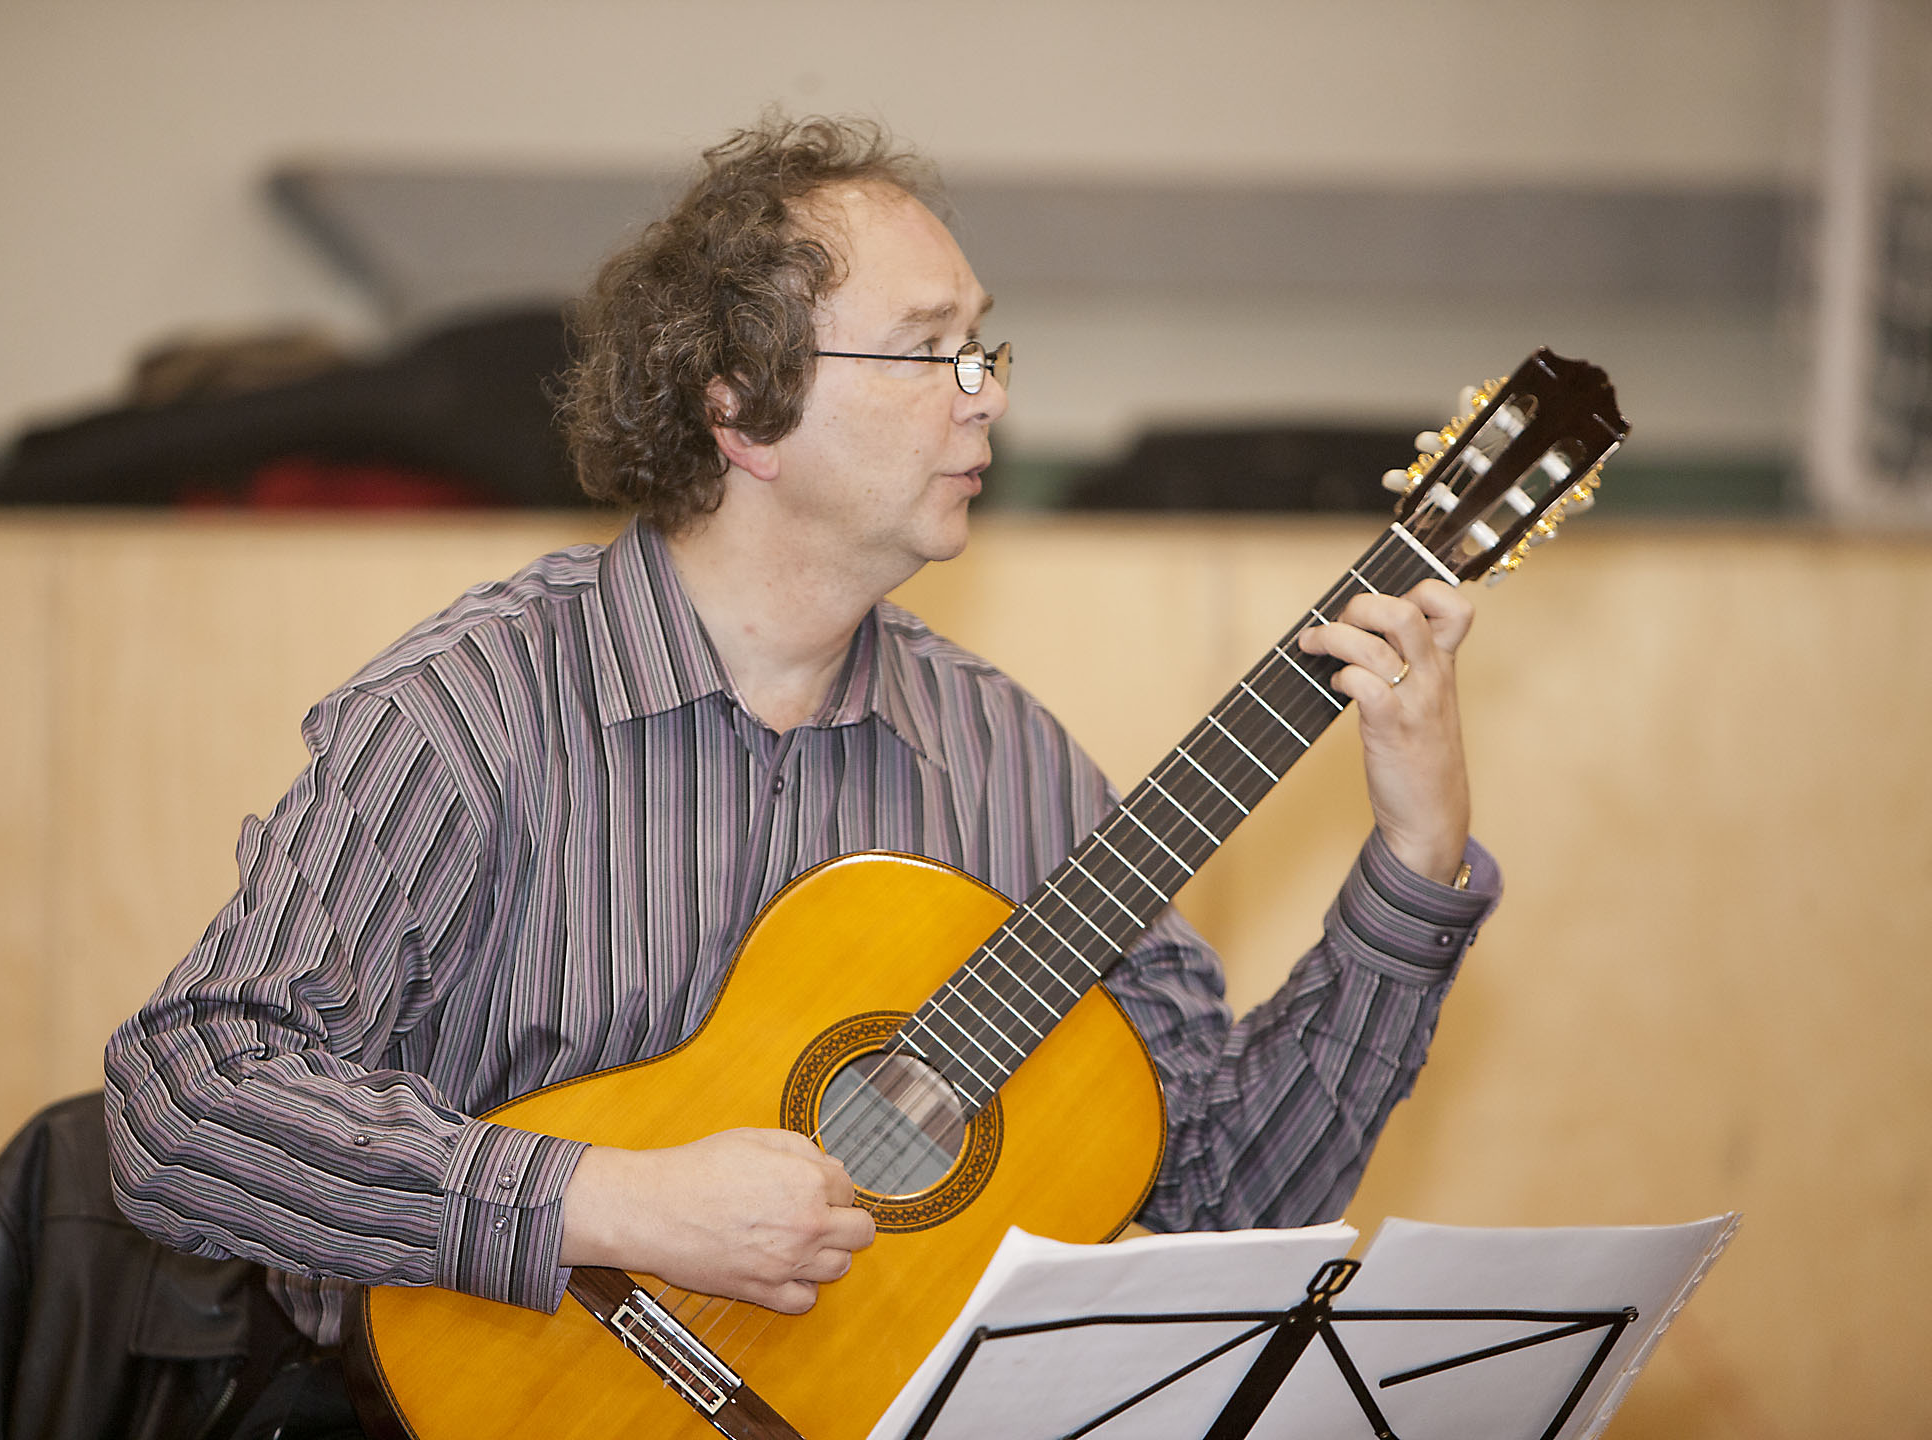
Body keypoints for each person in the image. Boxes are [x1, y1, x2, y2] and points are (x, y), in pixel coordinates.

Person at [104, 113, 1497, 1408]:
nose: (984, 400)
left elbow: (1216, 1210)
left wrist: (1414, 869)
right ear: (741, 406)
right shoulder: (474, 712)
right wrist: (609, 1204)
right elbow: (189, 1097)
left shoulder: (1007, 765)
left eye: (985, 349)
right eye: (927, 349)